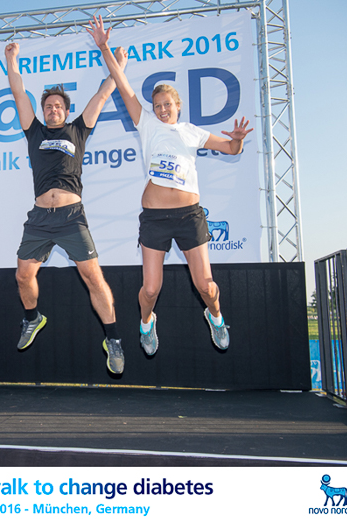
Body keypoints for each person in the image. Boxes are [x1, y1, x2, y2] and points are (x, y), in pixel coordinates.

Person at [86, 16, 253, 355]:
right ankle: (147, 323)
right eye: (158, 105)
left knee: (207, 287)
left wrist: (237, 140)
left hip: (190, 216)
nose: (162, 109)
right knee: (150, 290)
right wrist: (104, 47)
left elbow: (231, 149)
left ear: (178, 106)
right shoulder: (146, 124)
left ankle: (216, 317)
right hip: (155, 218)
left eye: (167, 104)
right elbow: (122, 84)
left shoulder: (192, 132)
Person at [4, 41, 127, 374]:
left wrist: (117, 63)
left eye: (58, 106)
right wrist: (11, 60)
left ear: (66, 110)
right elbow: (18, 93)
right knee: (23, 275)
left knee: (93, 277)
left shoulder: (78, 129)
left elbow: (103, 94)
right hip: (40, 218)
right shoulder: (34, 131)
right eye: (48, 106)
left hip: (72, 216)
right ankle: (32, 318)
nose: (52, 110)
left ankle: (113, 339)